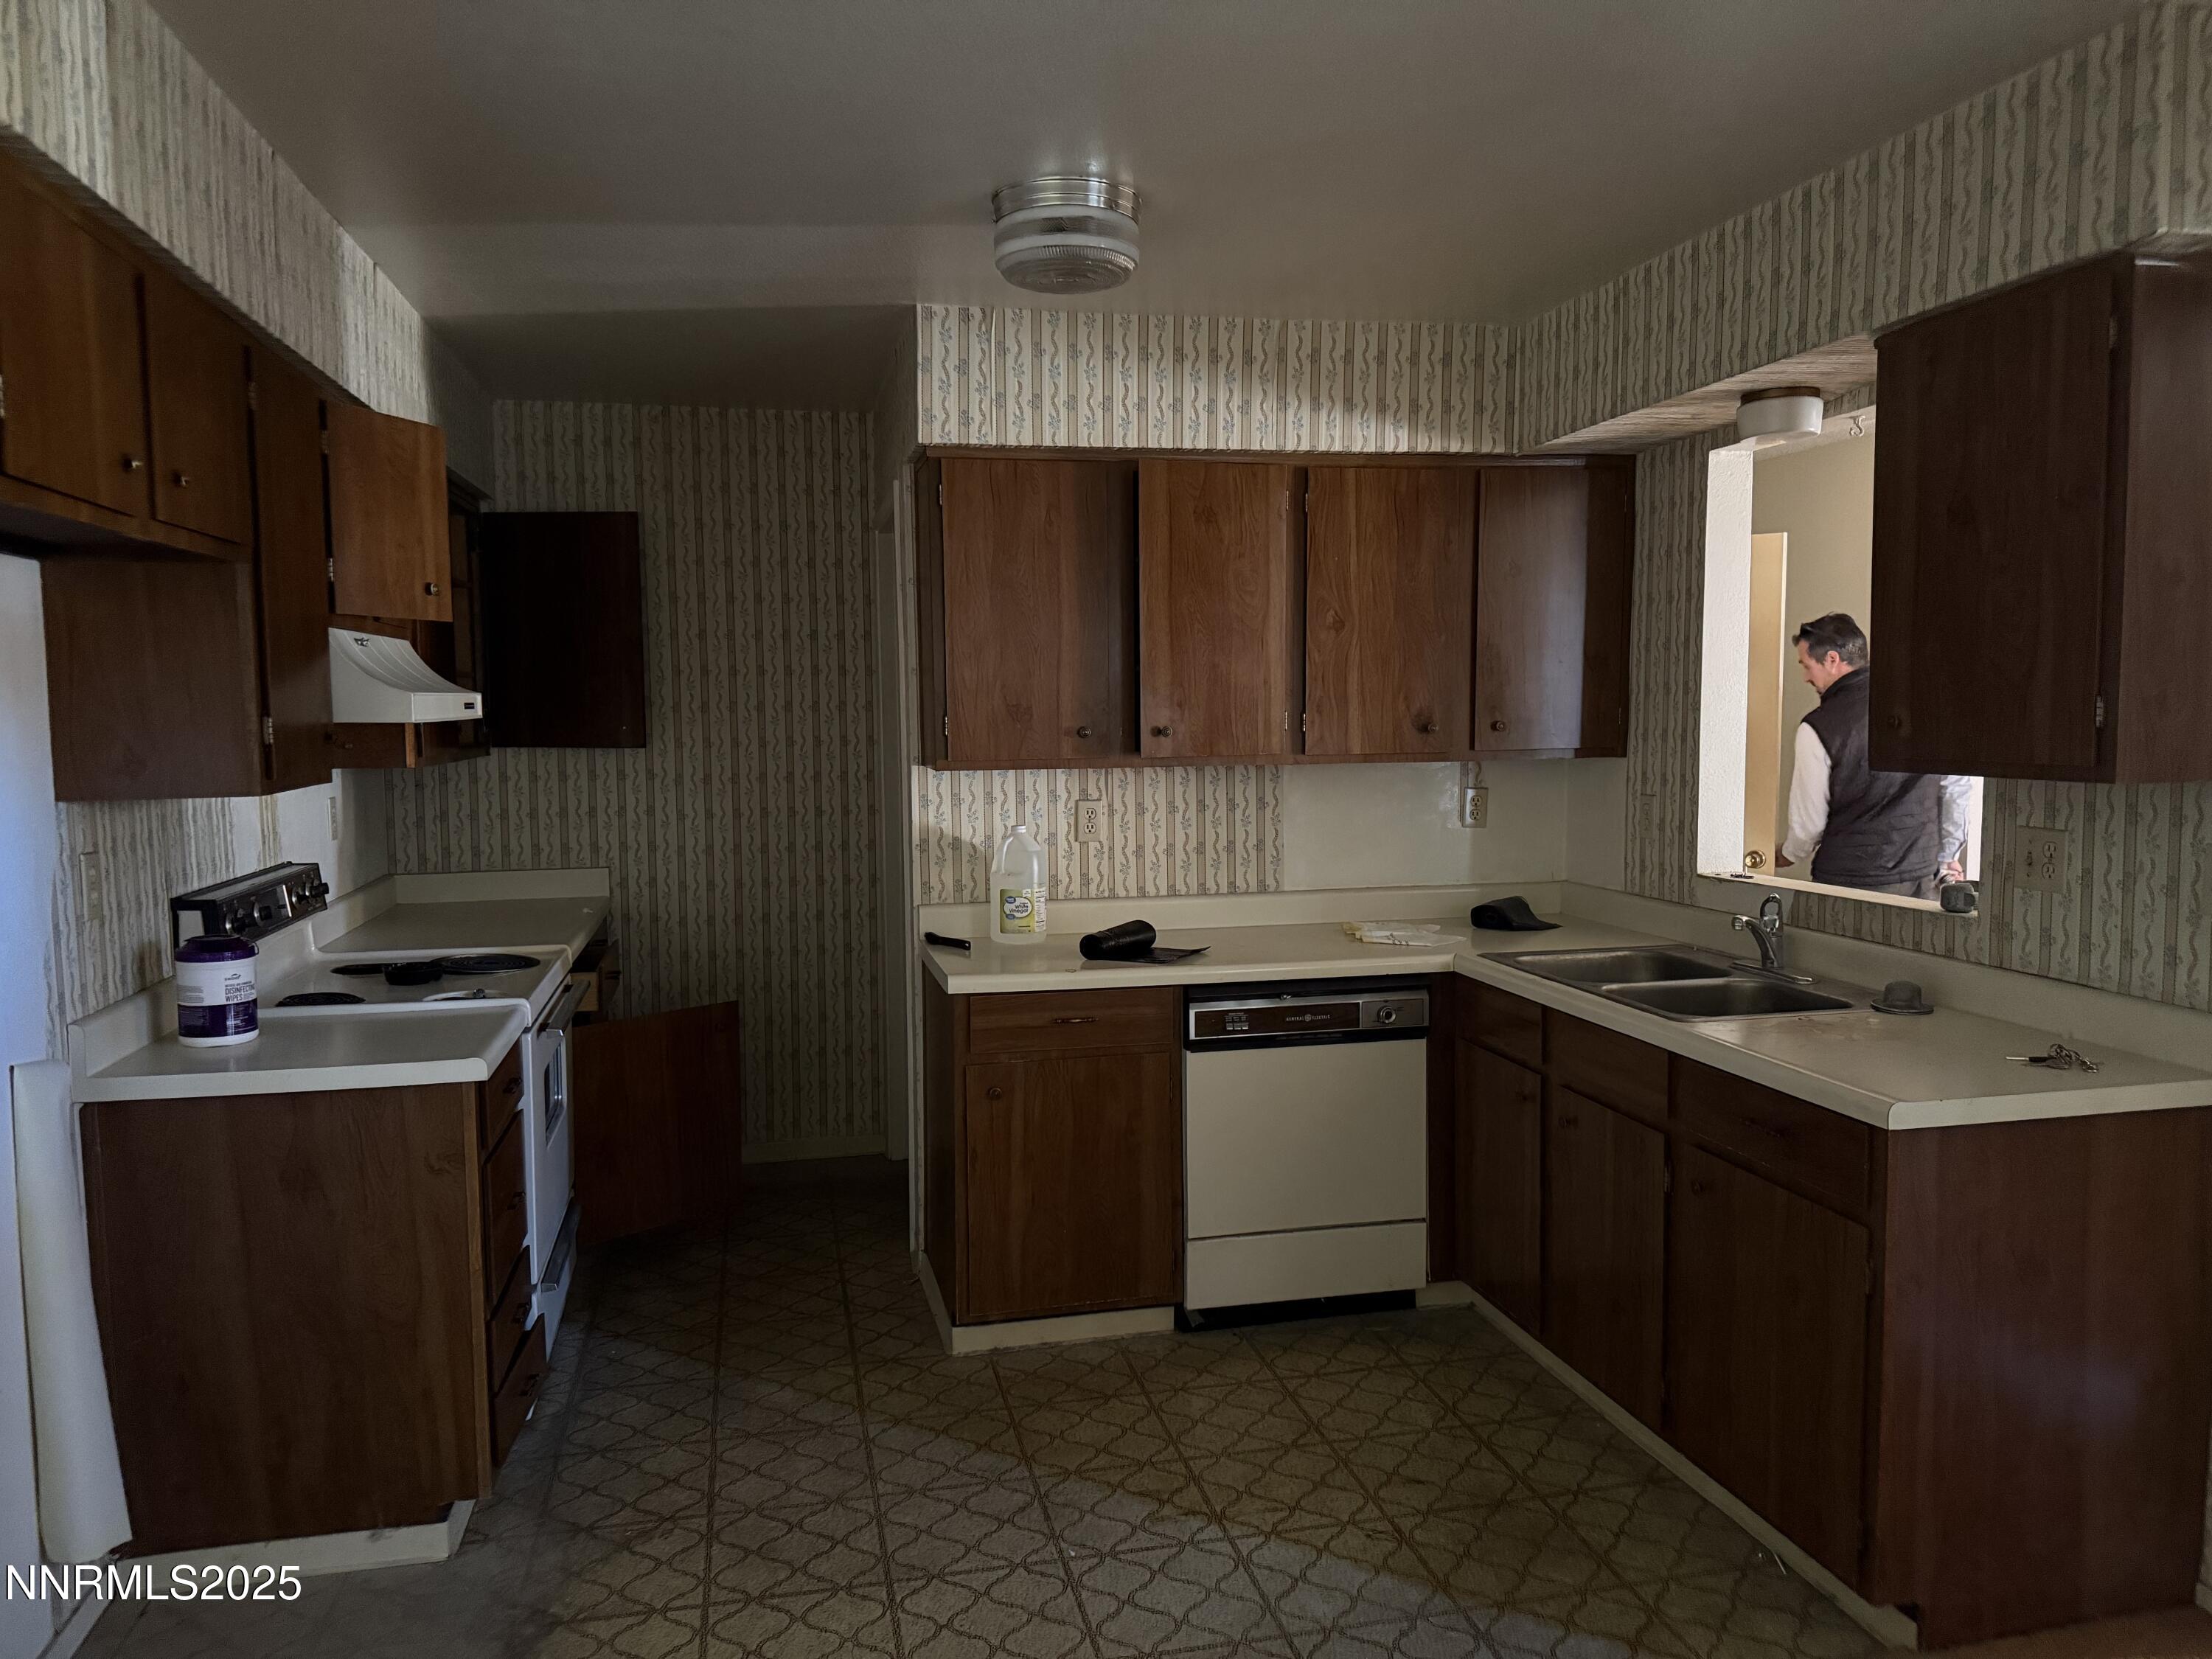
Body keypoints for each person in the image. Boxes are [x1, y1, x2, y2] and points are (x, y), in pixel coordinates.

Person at [1775, 613, 1970, 900]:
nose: (1806, 677)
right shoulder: (1926, 708)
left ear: (1832, 659)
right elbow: (1956, 787)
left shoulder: (1818, 727)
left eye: (1806, 665)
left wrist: (1787, 854)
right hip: (1920, 878)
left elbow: (1809, 827)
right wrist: (1947, 857)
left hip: (1849, 885)